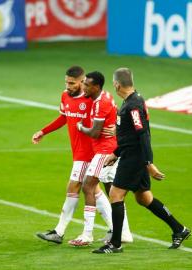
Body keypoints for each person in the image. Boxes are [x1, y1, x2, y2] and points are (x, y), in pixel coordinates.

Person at [92, 68, 190, 254]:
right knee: (144, 197)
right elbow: (130, 135)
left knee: (115, 194)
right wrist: (116, 152)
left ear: (116, 84)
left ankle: (115, 243)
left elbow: (142, 134)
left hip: (135, 158)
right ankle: (179, 229)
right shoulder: (131, 101)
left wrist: (149, 163)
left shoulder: (133, 105)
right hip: (130, 154)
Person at [32, 66, 116, 244]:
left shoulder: (92, 99)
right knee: (95, 191)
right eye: (66, 82)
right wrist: (43, 131)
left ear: (82, 82)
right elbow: (63, 117)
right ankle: (115, 229)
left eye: (72, 83)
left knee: (74, 188)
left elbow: (109, 113)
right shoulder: (65, 95)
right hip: (77, 151)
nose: (68, 86)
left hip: (90, 152)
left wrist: (116, 126)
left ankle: (60, 232)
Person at [68, 71, 132, 246]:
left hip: (105, 152)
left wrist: (80, 127)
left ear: (96, 87)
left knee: (88, 186)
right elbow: (118, 112)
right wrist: (118, 128)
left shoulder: (100, 103)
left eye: (87, 85)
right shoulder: (105, 97)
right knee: (114, 192)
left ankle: (87, 234)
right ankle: (124, 233)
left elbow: (95, 133)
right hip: (110, 149)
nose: (84, 87)